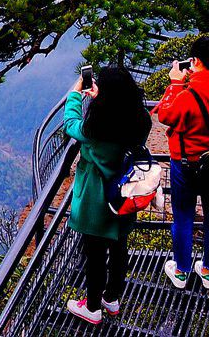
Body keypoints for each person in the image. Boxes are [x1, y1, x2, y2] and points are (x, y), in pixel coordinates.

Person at [61, 65, 152, 325]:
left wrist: (77, 94)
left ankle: (91, 308)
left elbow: (70, 124)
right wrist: (106, 97)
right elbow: (124, 110)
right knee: (119, 248)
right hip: (125, 194)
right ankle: (111, 300)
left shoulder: (96, 126)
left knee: (96, 255)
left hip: (96, 200)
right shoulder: (140, 120)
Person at [154, 35, 209, 292]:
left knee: (183, 216)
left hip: (186, 163)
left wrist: (174, 84)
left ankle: (181, 270)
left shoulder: (187, 95)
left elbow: (166, 115)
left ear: (195, 62)